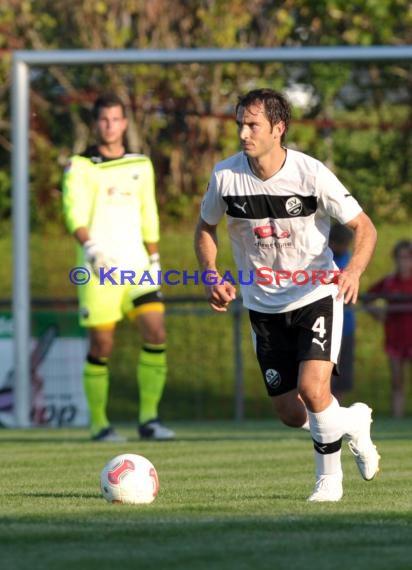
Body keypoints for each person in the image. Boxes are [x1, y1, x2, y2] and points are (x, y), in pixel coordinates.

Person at [195, 88, 380, 502]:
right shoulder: (226, 177)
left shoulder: (311, 174)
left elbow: (365, 227)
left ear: (278, 129)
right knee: (290, 412)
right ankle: (351, 420)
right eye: (240, 123)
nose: (243, 132)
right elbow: (205, 228)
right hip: (262, 305)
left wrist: (352, 272)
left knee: (314, 389)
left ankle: (328, 480)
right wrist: (211, 273)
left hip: (316, 293)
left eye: (252, 124)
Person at [62, 93, 175, 441]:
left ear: (125, 123)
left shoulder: (141, 164)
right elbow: (73, 212)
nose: (110, 125)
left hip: (139, 266)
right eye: (104, 120)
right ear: (96, 124)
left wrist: (154, 258)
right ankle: (99, 424)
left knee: (156, 332)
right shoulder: (80, 166)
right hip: (99, 269)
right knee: (101, 345)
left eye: (116, 119)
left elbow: (149, 212)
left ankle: (149, 420)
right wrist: (91, 246)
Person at [364, 239, 412, 418]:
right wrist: (377, 313)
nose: (404, 262)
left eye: (407, 257)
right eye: (400, 257)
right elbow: (367, 297)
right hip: (395, 338)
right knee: (397, 381)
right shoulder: (389, 282)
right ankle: (397, 419)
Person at [329, 224, 356, 403]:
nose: (344, 248)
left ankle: (336, 411)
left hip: (345, 327)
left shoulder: (349, 259)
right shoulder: (324, 260)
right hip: (324, 325)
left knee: (341, 376)